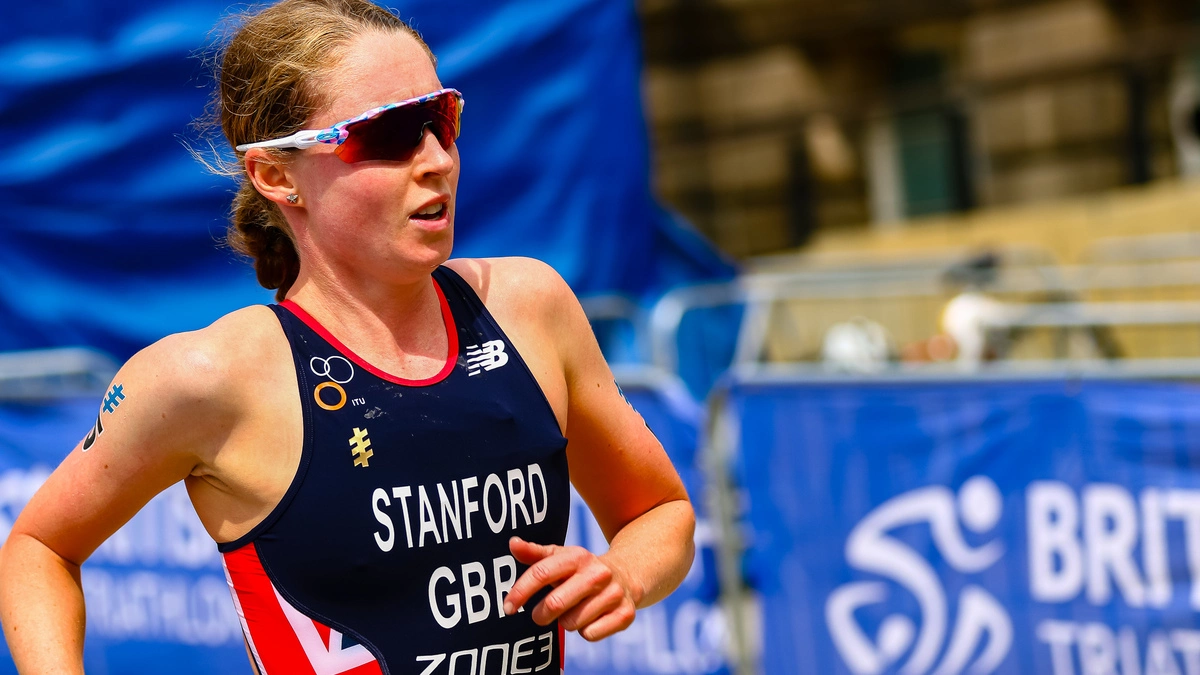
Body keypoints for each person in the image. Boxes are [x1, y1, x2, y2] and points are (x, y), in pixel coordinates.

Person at [0, 0, 696, 672]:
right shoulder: (210, 376)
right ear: (277, 175)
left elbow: (660, 512)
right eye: (389, 134)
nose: (437, 159)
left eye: (441, 119)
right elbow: (39, 548)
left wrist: (622, 574)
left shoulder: (528, 306)